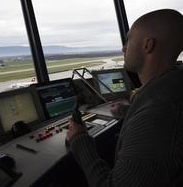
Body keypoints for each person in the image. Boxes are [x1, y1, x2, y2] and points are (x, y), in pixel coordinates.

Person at [67, 9, 183, 187]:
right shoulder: (172, 86)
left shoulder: (158, 114)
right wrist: (127, 111)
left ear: (148, 45)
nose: (123, 47)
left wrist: (79, 139)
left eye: (129, 39)